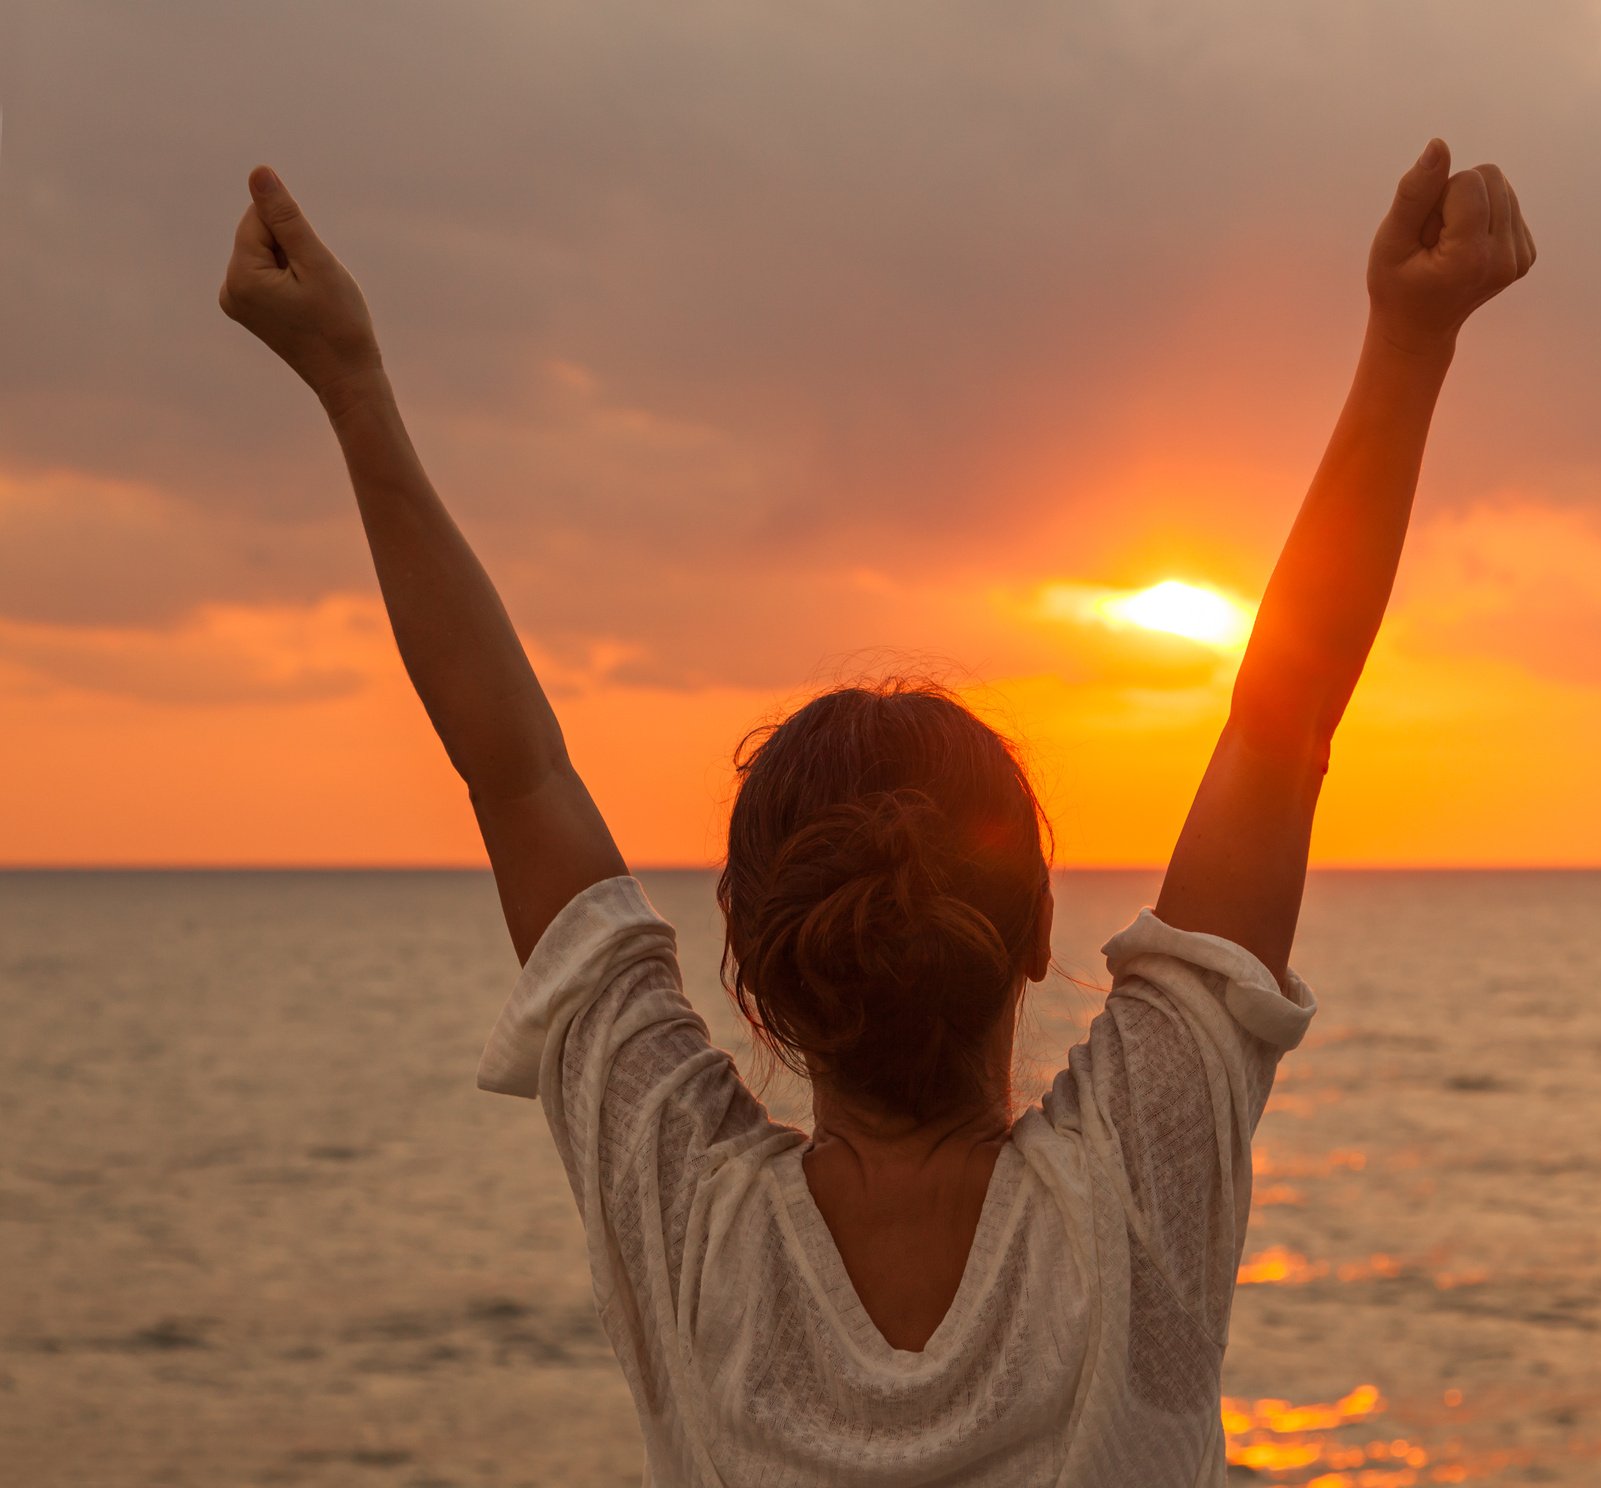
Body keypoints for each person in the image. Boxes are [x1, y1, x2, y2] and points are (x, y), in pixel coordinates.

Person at [219, 136, 1533, 1486]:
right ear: (1032, 936)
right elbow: (1283, 728)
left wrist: (352, 385)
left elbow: (515, 775)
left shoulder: (691, 1224)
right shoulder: (1137, 1181)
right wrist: (1409, 339)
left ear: (756, 967)